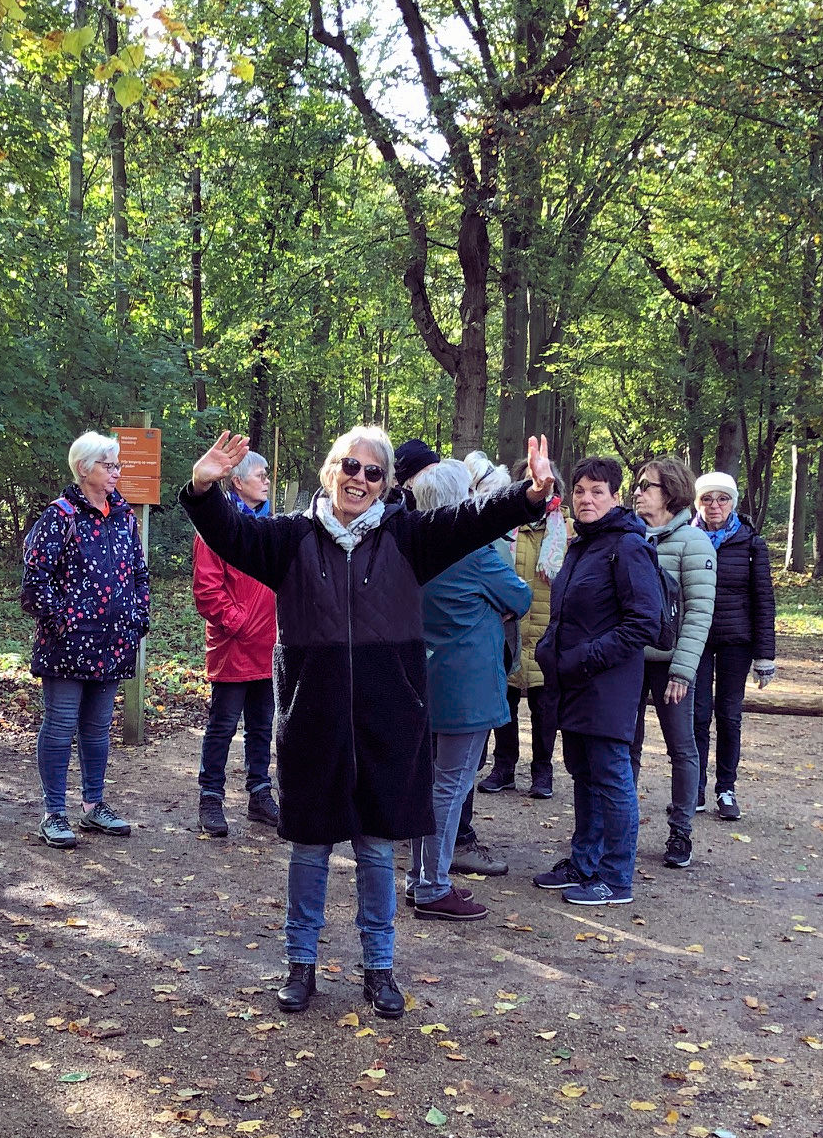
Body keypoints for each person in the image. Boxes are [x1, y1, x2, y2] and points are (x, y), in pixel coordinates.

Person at [181, 427, 558, 1020]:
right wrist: (204, 488)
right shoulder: (289, 539)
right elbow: (231, 534)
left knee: (378, 852)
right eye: (350, 466)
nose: (360, 478)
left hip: (389, 722)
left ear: (387, 484)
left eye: (374, 471)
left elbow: (472, 521)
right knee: (309, 851)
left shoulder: (407, 538)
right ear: (331, 470)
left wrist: (529, 496)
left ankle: (379, 969)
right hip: (313, 721)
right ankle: (299, 964)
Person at [530, 456, 667, 906]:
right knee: (584, 774)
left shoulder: (627, 547)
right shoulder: (582, 544)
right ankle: (583, 863)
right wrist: (552, 649)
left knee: (612, 778)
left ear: (614, 496)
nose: (586, 499)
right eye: (580, 491)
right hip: (573, 682)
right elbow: (567, 611)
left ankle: (616, 877)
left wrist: (586, 658)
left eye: (597, 492)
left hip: (607, 685)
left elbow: (643, 622)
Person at [400, 458, 532, 921]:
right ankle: (432, 886)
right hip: (467, 687)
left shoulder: (411, 546)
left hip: (423, 678)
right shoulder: (474, 553)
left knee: (430, 784)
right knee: (450, 786)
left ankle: (422, 879)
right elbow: (520, 597)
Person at [22, 431, 151, 849]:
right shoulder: (59, 516)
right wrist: (63, 620)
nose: (116, 472)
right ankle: (53, 812)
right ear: (83, 468)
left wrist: (137, 618)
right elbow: (35, 579)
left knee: (97, 729)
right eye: (108, 465)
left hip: (113, 642)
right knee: (60, 727)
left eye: (117, 465)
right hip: (68, 644)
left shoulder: (124, 516)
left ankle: (94, 805)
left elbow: (138, 573)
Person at [632, 457, 717, 869]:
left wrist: (683, 670)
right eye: (639, 485)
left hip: (673, 667)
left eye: (647, 486)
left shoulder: (694, 543)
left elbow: (700, 613)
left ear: (671, 492)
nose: (638, 492)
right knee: (623, 747)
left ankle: (680, 831)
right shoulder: (629, 537)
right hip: (628, 661)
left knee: (681, 747)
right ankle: (621, 826)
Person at [193, 449, 279, 838]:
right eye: (260, 475)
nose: (267, 481)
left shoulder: (272, 526)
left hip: (269, 645)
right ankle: (210, 796)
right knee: (223, 724)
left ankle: (260, 793)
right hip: (233, 645)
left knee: (262, 724)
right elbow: (207, 591)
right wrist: (241, 625)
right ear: (238, 481)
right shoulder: (216, 527)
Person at [691, 471, 777, 820]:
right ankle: (693, 788)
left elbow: (764, 600)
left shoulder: (750, 543)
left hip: (736, 642)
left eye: (722, 498)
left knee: (728, 715)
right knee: (696, 716)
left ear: (733, 502)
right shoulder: (687, 538)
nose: (715, 505)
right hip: (695, 639)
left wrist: (765, 654)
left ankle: (726, 789)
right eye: (707, 499)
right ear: (697, 502)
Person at [481, 463, 566, 800]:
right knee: (505, 703)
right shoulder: (502, 528)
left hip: (548, 631)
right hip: (509, 632)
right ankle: (504, 767)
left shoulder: (567, 530)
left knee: (546, 708)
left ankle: (542, 771)